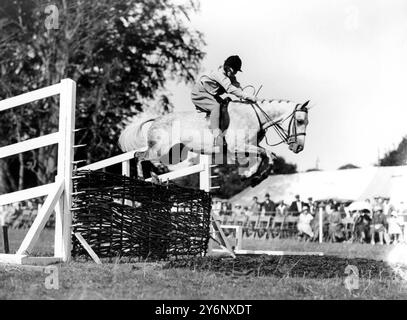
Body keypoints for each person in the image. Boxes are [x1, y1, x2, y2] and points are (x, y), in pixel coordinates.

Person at [191, 55, 259, 147]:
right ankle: (217, 137)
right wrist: (247, 96)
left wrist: (243, 93)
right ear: (229, 68)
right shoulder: (219, 74)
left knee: (225, 106)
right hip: (200, 93)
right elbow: (230, 88)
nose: (235, 73)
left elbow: (236, 85)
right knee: (216, 107)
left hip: (210, 94)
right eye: (234, 71)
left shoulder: (229, 75)